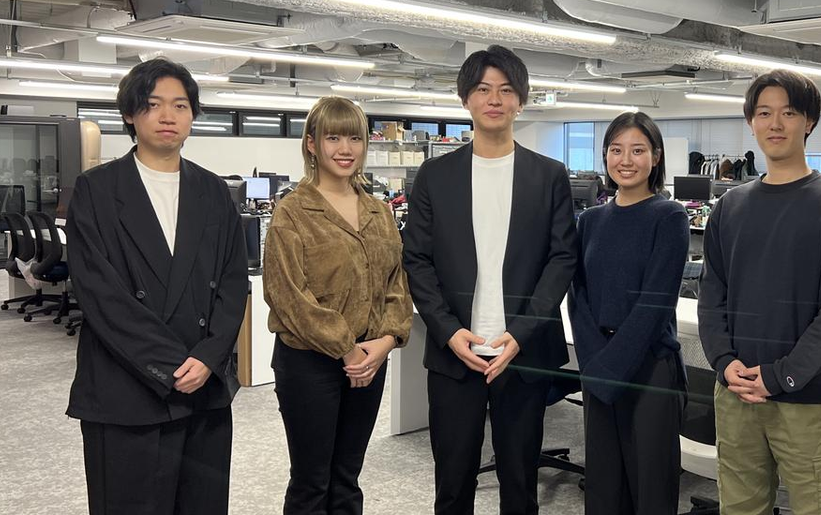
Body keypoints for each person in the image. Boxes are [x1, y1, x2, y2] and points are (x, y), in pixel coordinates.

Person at [65, 58, 248, 515]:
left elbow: (232, 282)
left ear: (192, 116)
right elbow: (100, 294)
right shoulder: (96, 190)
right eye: (153, 104)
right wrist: (171, 366)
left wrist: (208, 357)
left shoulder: (214, 191)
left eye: (180, 105)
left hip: (204, 389)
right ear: (130, 114)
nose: (168, 116)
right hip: (126, 391)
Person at [402, 44, 577, 515]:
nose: (494, 99)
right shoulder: (435, 175)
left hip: (521, 351)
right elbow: (417, 259)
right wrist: (448, 331)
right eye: (483, 89)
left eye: (505, 89)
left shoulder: (549, 175)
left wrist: (521, 333)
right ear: (466, 99)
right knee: (452, 483)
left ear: (521, 100)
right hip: (455, 352)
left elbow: (562, 259)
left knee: (519, 484)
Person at [698, 69, 821, 514]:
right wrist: (723, 362)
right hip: (735, 392)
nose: (775, 124)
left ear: (809, 122)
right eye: (764, 113)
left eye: (789, 113)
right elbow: (712, 293)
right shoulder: (729, 206)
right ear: (751, 122)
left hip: (805, 398)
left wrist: (783, 375)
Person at [263, 96, 413, 514]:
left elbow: (396, 284)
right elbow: (288, 296)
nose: (345, 149)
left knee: (347, 476)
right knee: (311, 482)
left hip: (370, 359)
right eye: (333, 138)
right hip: (310, 363)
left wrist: (387, 341)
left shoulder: (378, 212)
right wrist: (347, 349)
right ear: (312, 144)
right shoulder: (293, 212)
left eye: (355, 138)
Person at [568, 112, 688, 514]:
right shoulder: (591, 219)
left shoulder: (669, 216)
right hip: (598, 365)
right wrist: (594, 364)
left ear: (655, 157)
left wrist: (607, 370)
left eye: (637, 150)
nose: (626, 160)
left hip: (649, 368)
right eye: (616, 150)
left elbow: (655, 304)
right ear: (605, 156)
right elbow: (577, 294)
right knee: (603, 488)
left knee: (650, 490)